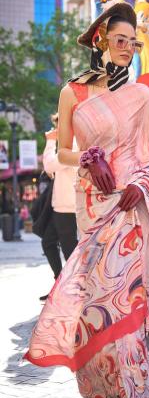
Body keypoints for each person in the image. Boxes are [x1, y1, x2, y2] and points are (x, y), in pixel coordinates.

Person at [24, 3, 149, 398]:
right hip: (92, 204)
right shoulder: (73, 92)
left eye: (133, 44)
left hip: (129, 207)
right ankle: (111, 395)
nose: (127, 49)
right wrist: (85, 156)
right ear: (101, 39)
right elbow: (63, 150)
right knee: (95, 306)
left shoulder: (142, 95)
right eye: (120, 40)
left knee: (127, 301)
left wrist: (141, 185)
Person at [39, 113, 78, 301]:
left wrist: (49, 142)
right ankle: (60, 284)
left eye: (58, 126)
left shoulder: (72, 145)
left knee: (71, 252)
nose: (56, 130)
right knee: (48, 242)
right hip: (61, 206)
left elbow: (49, 165)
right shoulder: (67, 144)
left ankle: (72, 293)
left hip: (68, 207)